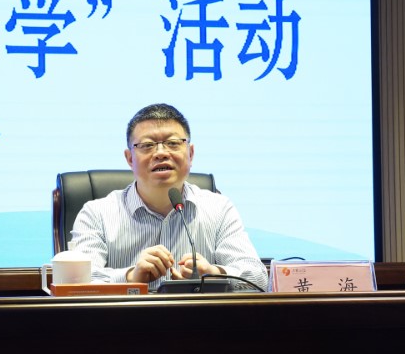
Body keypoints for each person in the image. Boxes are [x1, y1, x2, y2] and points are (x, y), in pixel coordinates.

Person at [70, 103, 269, 292]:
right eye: (147, 145)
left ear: (190, 154)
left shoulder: (218, 209)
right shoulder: (97, 214)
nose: (161, 153)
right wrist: (130, 277)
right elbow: (75, 283)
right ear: (130, 158)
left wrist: (214, 274)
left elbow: (258, 277)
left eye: (173, 143)